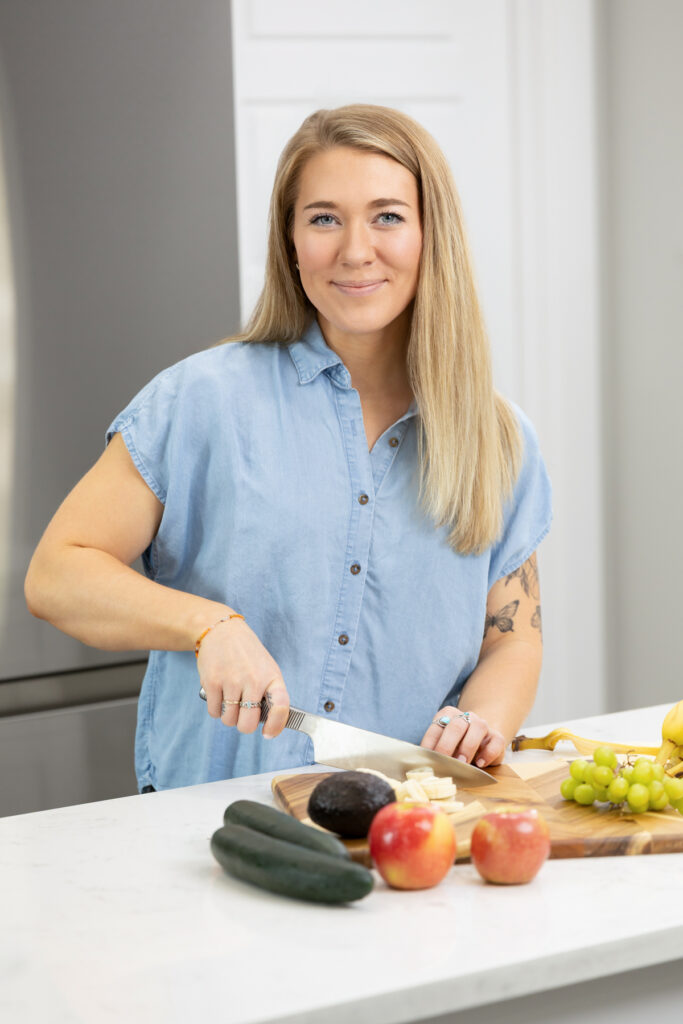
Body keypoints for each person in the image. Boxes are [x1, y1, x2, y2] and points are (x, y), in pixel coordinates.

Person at [24, 104, 551, 793]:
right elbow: (58, 574)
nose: (355, 250)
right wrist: (209, 625)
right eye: (324, 218)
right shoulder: (201, 400)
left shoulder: (497, 438)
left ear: (431, 235)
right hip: (211, 823)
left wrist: (480, 722)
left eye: (387, 216)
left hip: (411, 824)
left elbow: (510, 636)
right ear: (291, 241)